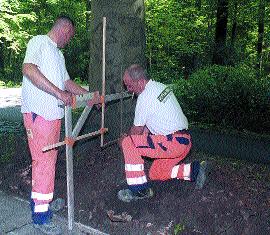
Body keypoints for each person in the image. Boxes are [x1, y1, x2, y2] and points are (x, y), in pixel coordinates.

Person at [21, 16, 99, 234]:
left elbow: (66, 83)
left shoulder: (58, 54)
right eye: (71, 35)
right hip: (39, 114)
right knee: (43, 162)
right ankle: (41, 217)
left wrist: (89, 96)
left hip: (53, 116)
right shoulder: (39, 42)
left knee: (48, 161)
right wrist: (58, 93)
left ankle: (41, 203)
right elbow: (28, 69)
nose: (70, 40)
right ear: (65, 29)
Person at [118, 64, 208, 203]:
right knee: (156, 173)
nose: (129, 90)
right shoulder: (160, 87)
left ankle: (139, 191)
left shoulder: (144, 97)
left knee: (129, 143)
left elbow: (136, 133)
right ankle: (195, 170)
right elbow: (146, 129)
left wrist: (125, 141)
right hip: (184, 141)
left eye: (130, 85)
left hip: (173, 142)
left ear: (140, 82)